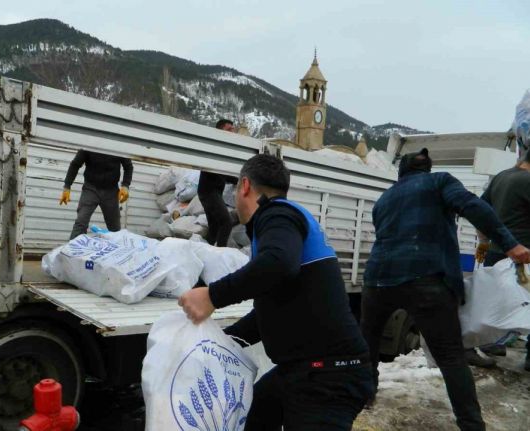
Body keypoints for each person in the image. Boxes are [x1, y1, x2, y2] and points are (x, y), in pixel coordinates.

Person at [179, 154, 374, 430]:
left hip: (328, 376)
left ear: (244, 186)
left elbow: (279, 263)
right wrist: (222, 342)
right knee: (258, 413)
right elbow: (268, 312)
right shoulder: (281, 222)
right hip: (304, 370)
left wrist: (212, 296)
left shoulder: (277, 214)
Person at [361, 148, 530, 431]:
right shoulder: (440, 181)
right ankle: (471, 424)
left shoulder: (385, 199)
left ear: (401, 172)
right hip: (426, 278)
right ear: (426, 169)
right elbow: (473, 206)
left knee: (369, 345)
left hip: (377, 281)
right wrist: (509, 243)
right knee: (451, 357)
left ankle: (364, 397)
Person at [474, 126, 530, 371]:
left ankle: (492, 343)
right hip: (523, 256)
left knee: (497, 303)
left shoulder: (501, 177)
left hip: (497, 253)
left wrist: (484, 243)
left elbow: (480, 213)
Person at [60, 150, 133, 239]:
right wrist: (67, 186)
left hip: (111, 191)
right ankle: (72, 250)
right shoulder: (89, 143)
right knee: (81, 221)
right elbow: (75, 164)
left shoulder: (117, 145)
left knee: (115, 229)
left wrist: (125, 185)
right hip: (90, 189)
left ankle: (117, 249)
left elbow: (128, 166)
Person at [198, 119, 239, 246]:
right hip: (209, 192)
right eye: (228, 129)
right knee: (226, 222)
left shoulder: (225, 149)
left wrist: (236, 180)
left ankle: (208, 251)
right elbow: (217, 170)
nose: (232, 132)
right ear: (219, 131)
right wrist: (236, 179)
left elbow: (223, 174)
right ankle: (219, 254)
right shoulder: (214, 147)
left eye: (233, 129)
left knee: (214, 229)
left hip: (212, 192)